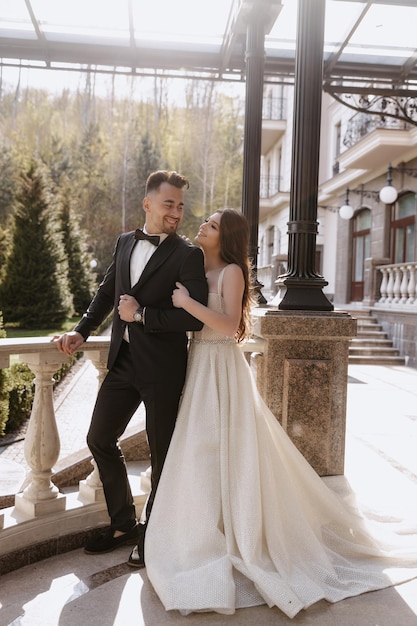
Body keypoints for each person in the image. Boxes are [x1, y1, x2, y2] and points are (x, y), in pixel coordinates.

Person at [143, 208, 417, 618]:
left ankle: (242, 531)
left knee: (230, 445)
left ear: (226, 237)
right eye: (207, 221)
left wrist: (186, 303)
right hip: (199, 364)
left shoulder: (232, 272)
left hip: (222, 364)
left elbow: (230, 323)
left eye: (213, 225)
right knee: (199, 447)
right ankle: (201, 528)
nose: (203, 225)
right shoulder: (196, 266)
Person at [54, 170, 208, 558]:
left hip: (163, 370)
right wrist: (81, 332)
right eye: (168, 203)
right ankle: (123, 524)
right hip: (122, 363)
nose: (176, 212)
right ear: (148, 204)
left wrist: (142, 315)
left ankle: (153, 536)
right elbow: (108, 293)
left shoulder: (189, 255)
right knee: (99, 438)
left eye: (180, 205)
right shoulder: (125, 242)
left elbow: (194, 318)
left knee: (162, 455)